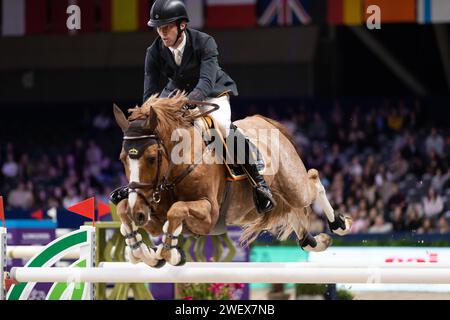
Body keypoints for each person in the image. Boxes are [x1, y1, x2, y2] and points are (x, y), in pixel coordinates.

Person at [111, 0, 275, 214]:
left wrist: (187, 105)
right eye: (159, 29)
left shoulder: (205, 43)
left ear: (182, 26)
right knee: (153, 135)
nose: (162, 33)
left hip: (212, 93)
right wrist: (145, 118)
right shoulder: (153, 51)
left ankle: (258, 182)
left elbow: (206, 81)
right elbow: (149, 92)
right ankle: (138, 186)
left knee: (223, 128)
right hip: (176, 95)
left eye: (167, 27)